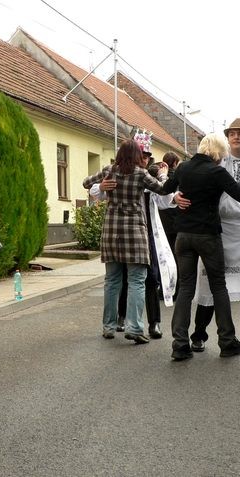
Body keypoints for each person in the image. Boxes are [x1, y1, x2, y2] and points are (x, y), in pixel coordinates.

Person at [163, 132, 240, 360]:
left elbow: (163, 188)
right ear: (220, 149)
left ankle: (180, 343)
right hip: (212, 233)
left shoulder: (184, 167)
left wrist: (173, 196)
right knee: (215, 286)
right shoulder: (217, 169)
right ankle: (219, 339)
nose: (235, 137)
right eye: (231, 134)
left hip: (195, 233)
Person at [82, 139, 171, 345]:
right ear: (137, 156)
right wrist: (164, 175)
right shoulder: (141, 174)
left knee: (112, 281)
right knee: (137, 281)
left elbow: (86, 182)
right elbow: (163, 190)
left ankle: (108, 327)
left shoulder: (109, 171)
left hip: (111, 232)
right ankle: (134, 328)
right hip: (134, 233)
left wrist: (100, 186)